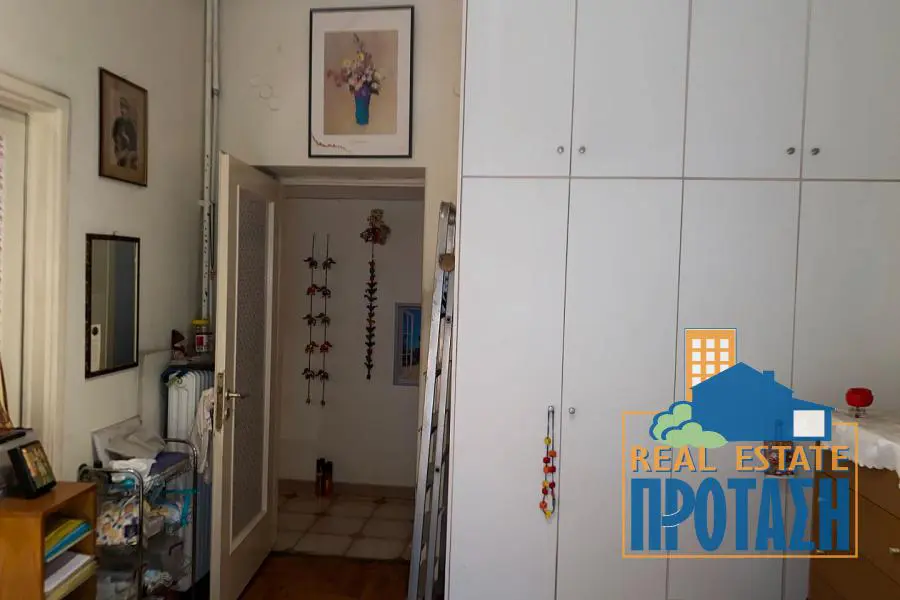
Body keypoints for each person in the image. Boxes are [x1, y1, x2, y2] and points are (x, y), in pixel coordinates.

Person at [112, 96, 139, 169]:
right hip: (120, 149)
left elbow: (134, 139)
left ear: (127, 109)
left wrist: (129, 148)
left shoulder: (130, 123)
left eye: (124, 108)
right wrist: (118, 146)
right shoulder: (118, 121)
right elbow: (114, 135)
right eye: (121, 108)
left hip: (129, 150)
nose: (122, 110)